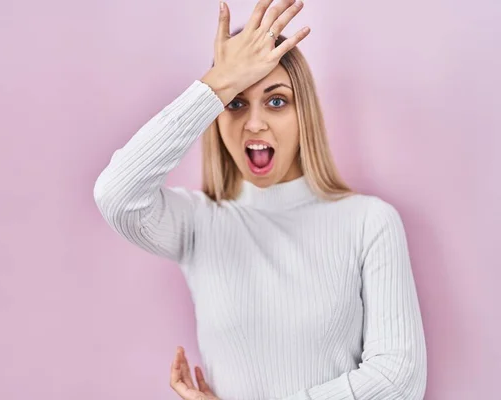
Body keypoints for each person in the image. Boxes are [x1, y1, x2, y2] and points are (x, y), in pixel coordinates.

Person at [93, 0, 428, 399]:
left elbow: (398, 379)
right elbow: (116, 194)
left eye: (276, 101)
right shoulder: (199, 222)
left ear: (303, 113)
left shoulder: (369, 221)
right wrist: (217, 84)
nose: (254, 122)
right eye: (236, 103)